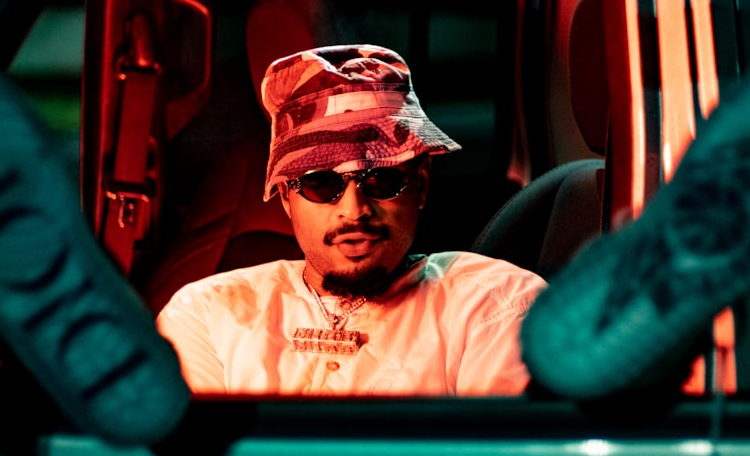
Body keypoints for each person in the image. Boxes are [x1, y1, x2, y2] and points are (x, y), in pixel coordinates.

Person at [156, 44, 547, 396]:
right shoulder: (207, 313)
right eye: (320, 184)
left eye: (383, 179)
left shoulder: (494, 305)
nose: (354, 210)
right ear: (286, 199)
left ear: (421, 186)